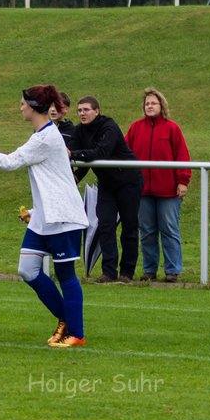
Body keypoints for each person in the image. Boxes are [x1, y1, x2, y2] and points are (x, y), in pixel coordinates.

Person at [0, 85, 89, 348]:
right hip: (45, 218)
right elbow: (51, 180)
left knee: (66, 275)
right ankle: (66, 318)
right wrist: (35, 211)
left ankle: (76, 333)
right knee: (27, 269)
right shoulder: (42, 136)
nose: (20, 107)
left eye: (22, 103)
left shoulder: (44, 139)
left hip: (63, 218)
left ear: (33, 107)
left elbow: (7, 162)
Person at [70, 95, 141, 283]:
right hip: (107, 185)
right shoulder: (79, 131)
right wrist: (74, 177)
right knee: (105, 225)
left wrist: (73, 154)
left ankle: (127, 273)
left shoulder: (109, 126)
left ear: (97, 111)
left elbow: (100, 153)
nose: (82, 113)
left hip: (128, 181)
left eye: (86, 110)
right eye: (79, 110)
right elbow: (77, 158)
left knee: (129, 227)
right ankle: (109, 272)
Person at [125, 87, 191, 283]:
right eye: (147, 104)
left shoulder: (172, 128)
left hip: (168, 191)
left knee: (169, 229)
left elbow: (182, 156)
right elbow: (125, 152)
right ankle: (149, 270)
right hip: (143, 190)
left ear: (161, 106)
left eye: (153, 103)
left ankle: (172, 270)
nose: (150, 106)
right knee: (147, 231)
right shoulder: (136, 128)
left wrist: (182, 181)